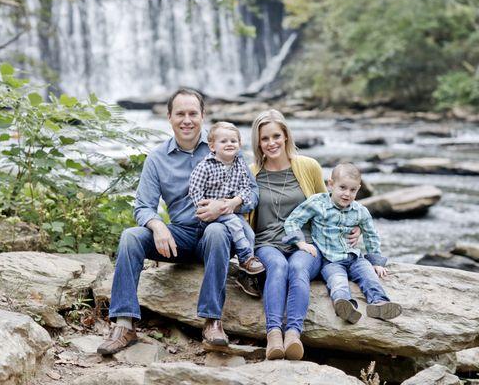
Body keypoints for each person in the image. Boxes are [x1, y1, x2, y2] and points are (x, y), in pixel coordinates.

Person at [97, 88, 258, 355]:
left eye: (193, 113)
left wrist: (228, 204)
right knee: (130, 236)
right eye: (180, 114)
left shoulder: (224, 145)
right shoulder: (157, 158)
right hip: (179, 237)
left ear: (203, 116)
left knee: (217, 230)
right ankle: (125, 325)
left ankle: (212, 322)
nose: (187, 120)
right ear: (169, 117)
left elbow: (253, 194)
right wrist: (158, 226)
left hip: (217, 234)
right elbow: (143, 206)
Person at [246, 109, 359, 361]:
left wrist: (356, 226)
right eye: (265, 139)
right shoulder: (251, 171)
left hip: (307, 245)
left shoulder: (308, 166)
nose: (272, 143)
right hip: (267, 244)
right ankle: (274, 334)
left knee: (297, 269)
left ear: (286, 136)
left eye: (276, 136)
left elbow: (333, 204)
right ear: (258, 142)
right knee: (277, 266)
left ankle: (293, 335)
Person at [283, 162, 402, 324]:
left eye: (353, 190)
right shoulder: (318, 203)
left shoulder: (360, 211)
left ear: (358, 189)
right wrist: (300, 243)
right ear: (331, 185)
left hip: (355, 257)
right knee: (337, 282)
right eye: (343, 188)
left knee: (369, 276)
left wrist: (376, 262)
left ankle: (379, 304)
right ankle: (345, 306)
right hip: (330, 261)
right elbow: (293, 221)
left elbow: (371, 235)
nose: (347, 194)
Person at [188, 122, 264, 276]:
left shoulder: (240, 165)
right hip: (210, 215)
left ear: (240, 144)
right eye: (223, 141)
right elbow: (195, 189)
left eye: (233, 141)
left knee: (249, 233)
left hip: (232, 211)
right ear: (212, 146)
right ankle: (245, 257)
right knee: (236, 225)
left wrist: (236, 200)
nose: (229, 144)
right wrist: (204, 207)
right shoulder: (205, 166)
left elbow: (246, 188)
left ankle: (246, 267)